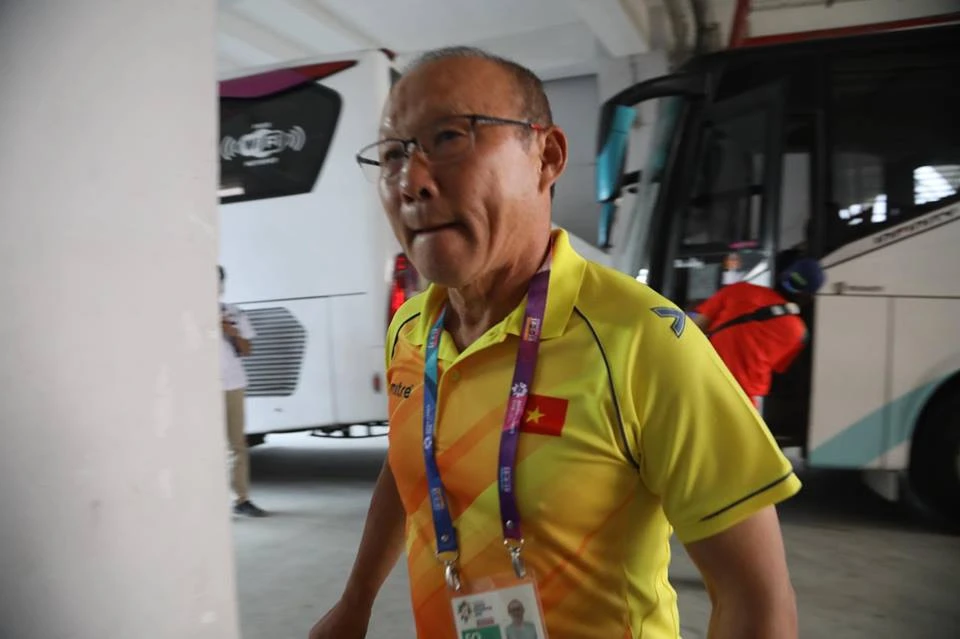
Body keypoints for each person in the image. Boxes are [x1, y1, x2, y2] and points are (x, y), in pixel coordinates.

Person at [309, 47, 799, 639]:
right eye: (393, 154)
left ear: (547, 156)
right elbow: (410, 458)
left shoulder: (641, 338)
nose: (411, 180)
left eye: (449, 137)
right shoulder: (411, 328)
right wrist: (356, 600)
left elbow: (757, 601)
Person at [691, 258, 826, 408]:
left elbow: (694, 328)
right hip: (741, 404)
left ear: (783, 275)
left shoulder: (739, 290)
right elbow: (777, 367)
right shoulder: (798, 333)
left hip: (699, 382)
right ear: (807, 297)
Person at [219, 266, 266, 518]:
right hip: (199, 388)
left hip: (232, 384)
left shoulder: (233, 312)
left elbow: (247, 350)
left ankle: (240, 499)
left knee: (236, 444)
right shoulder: (188, 313)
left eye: (218, 282)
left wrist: (232, 333)